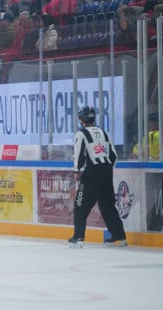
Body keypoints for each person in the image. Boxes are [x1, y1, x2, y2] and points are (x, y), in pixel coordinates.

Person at [69, 106, 127, 248]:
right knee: (107, 205)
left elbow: (79, 154)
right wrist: (106, 169)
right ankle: (119, 237)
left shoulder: (81, 134)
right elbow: (114, 156)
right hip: (106, 171)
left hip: (92, 172)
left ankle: (78, 238)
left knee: (80, 205)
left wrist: (76, 171)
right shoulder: (104, 132)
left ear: (81, 119)